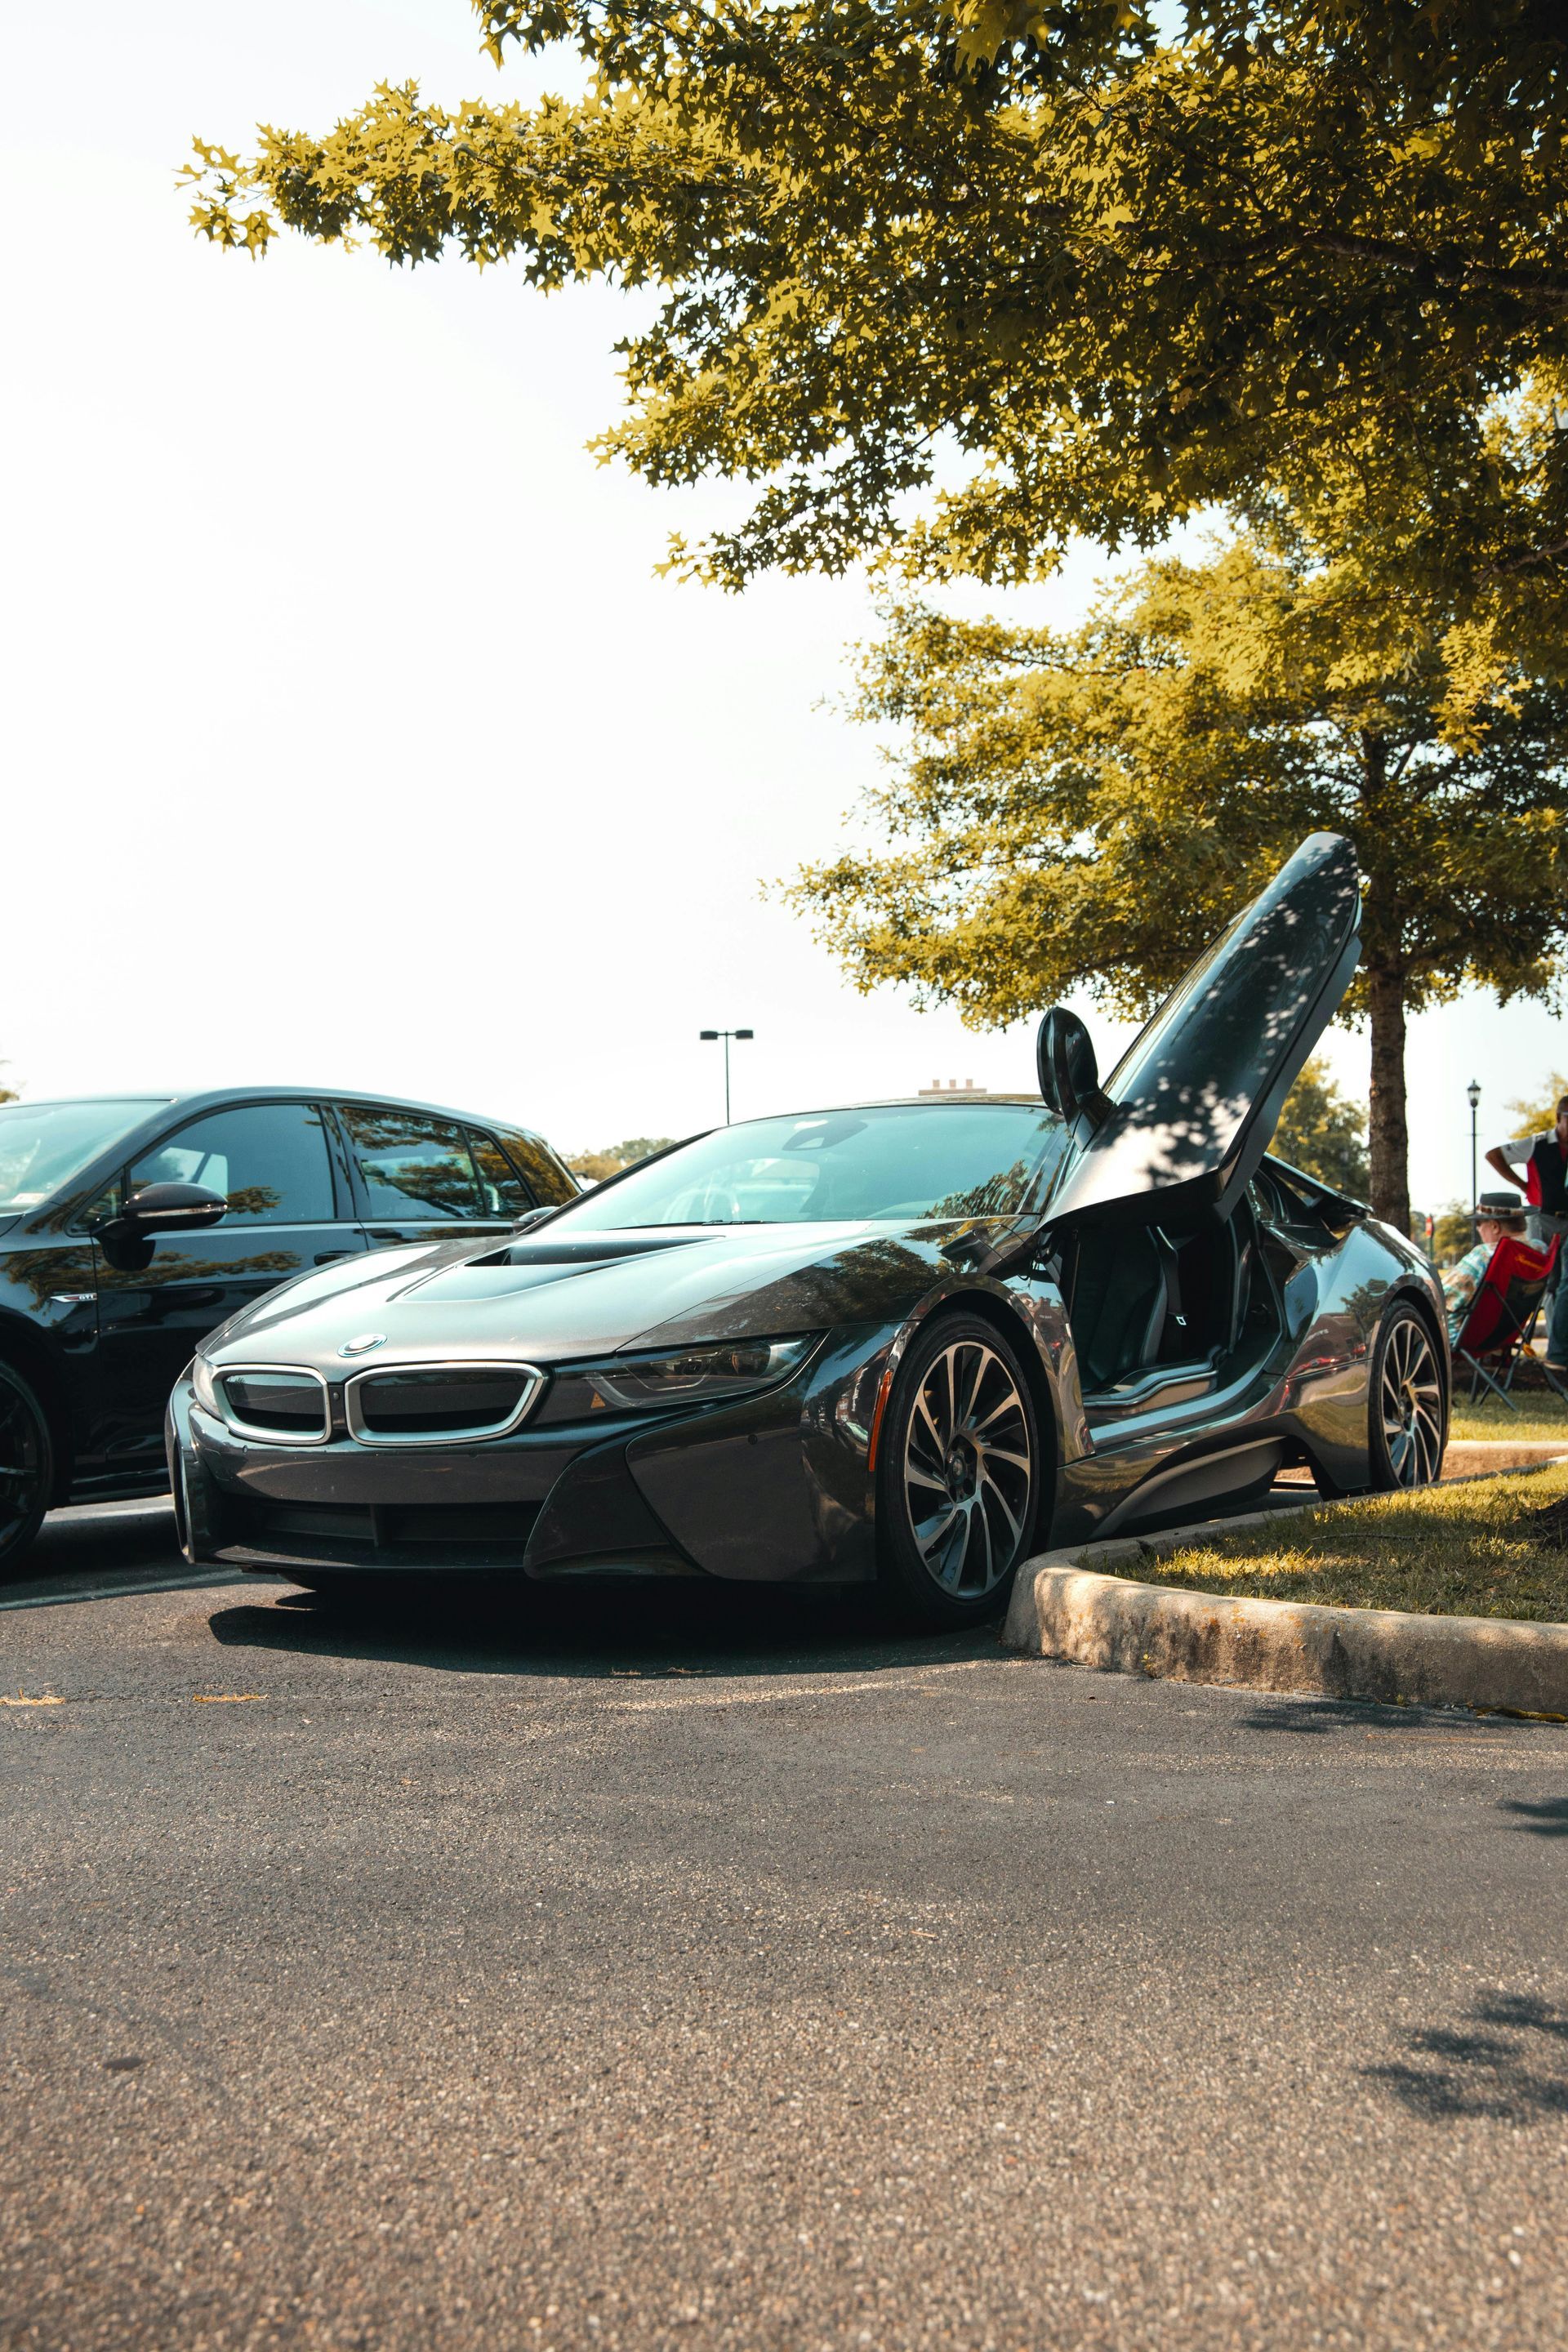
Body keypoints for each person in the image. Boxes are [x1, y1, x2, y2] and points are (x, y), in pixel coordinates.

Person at [1486, 1094, 1568, 1370]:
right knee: (1546, 1282)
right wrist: (1522, 1185)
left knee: (1565, 1284)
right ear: (1559, 1119)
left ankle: (1558, 1352)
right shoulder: (1537, 1144)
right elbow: (1493, 1155)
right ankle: (1550, 1349)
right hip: (1542, 1218)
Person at [1441, 1196, 1528, 1348]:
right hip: (1506, 1333)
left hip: (1462, 1336)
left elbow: (1443, 1295)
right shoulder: (1539, 1251)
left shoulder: (1484, 1255)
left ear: (1495, 1226)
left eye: (1479, 1223)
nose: (1478, 1229)